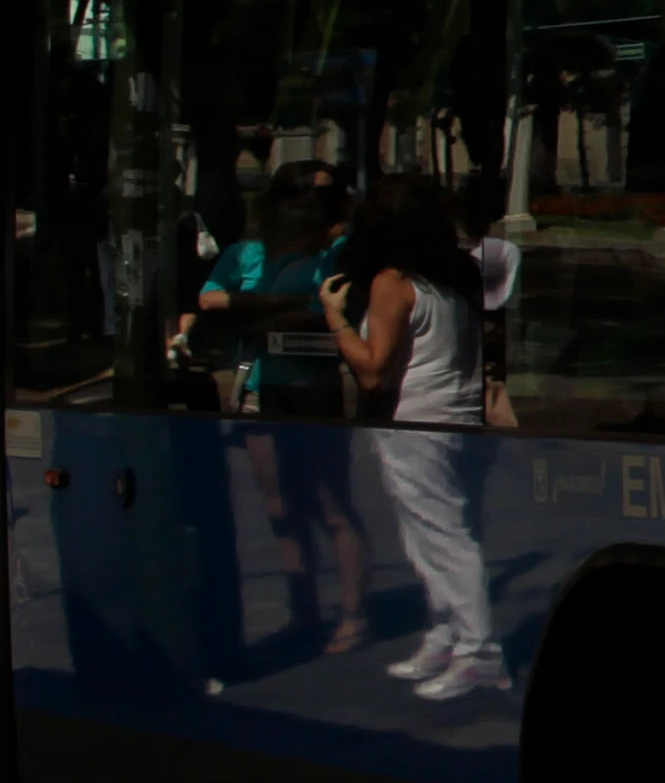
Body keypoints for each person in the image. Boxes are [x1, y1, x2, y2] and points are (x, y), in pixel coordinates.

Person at [323, 173, 503, 700]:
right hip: (459, 417)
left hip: (415, 422)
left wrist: (336, 321)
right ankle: (446, 634)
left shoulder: (393, 282)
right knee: (435, 531)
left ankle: (478, 651)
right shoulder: (455, 277)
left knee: (443, 535)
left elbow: (374, 372)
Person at [197, 162, 362, 654]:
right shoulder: (246, 252)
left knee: (331, 503)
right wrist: (274, 305)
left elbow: (323, 312)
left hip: (313, 385)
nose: (305, 205)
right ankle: (303, 610)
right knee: (280, 505)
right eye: (295, 194)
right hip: (258, 386)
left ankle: (353, 615)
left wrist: (250, 307)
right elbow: (210, 299)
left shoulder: (336, 252)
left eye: (318, 197)